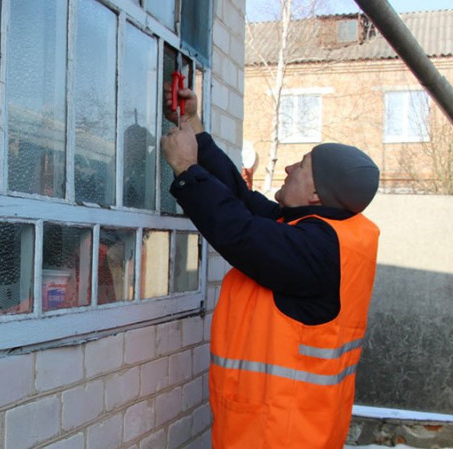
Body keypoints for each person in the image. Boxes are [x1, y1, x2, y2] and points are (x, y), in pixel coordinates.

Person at [161, 86, 380, 449]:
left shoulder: (316, 250)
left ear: (316, 196)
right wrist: (194, 127)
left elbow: (239, 232)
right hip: (283, 426)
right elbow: (241, 201)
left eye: (303, 165)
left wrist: (186, 168)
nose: (291, 166)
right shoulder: (321, 232)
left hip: (283, 434)